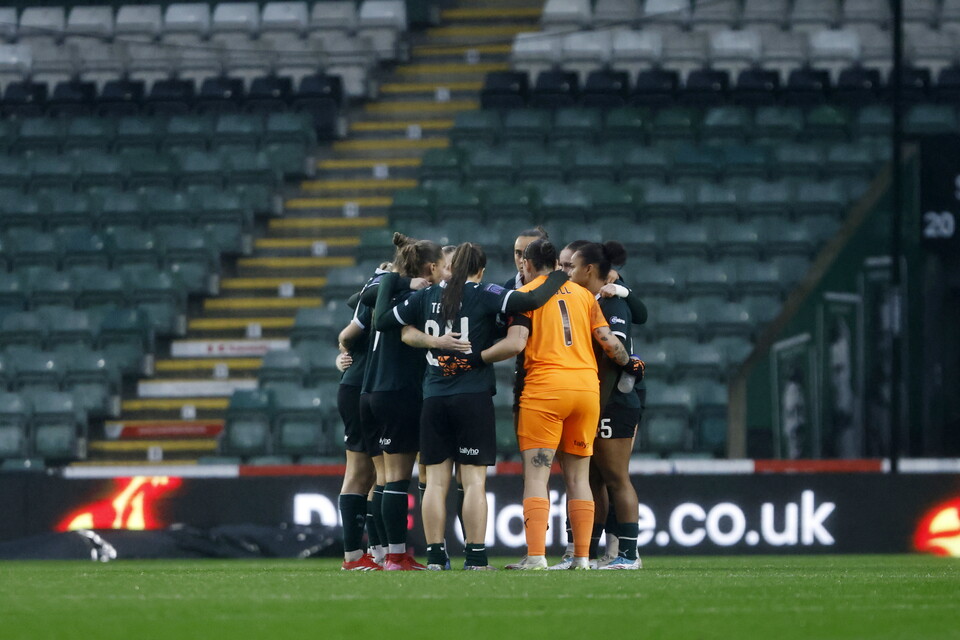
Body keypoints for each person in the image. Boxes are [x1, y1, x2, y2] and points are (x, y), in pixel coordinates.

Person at [375, 242, 569, 570]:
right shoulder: (483, 293)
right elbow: (531, 299)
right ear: (480, 270)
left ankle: (436, 557)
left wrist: (386, 283)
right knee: (474, 482)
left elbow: (383, 320)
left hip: (434, 397)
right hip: (472, 396)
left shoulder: (426, 296)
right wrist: (560, 274)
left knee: (435, 483)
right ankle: (475, 557)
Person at [478, 238, 644, 570]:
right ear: (556, 263)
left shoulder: (526, 297)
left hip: (545, 390)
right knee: (580, 478)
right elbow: (609, 341)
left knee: (538, 476)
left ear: (526, 265)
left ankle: (537, 557)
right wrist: (631, 365)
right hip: (585, 391)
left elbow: (517, 341)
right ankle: (581, 557)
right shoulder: (584, 295)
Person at [359, 233, 446, 570]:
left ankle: (383, 553)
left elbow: (360, 296)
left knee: (383, 479)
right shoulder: (418, 296)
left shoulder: (385, 290)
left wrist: (396, 280)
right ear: (430, 267)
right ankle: (397, 555)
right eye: (442, 267)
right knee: (397, 478)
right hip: (398, 390)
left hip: (370, 391)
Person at [566, 241, 644, 570]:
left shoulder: (612, 303)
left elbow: (617, 353)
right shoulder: (587, 301)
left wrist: (628, 371)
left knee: (616, 478)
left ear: (588, 270)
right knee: (594, 480)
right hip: (593, 401)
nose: (565, 272)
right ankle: (584, 554)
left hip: (612, 403)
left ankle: (629, 554)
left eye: (570, 266)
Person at [336, 265, 388, 571]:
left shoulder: (386, 294)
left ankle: (371, 551)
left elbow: (348, 336)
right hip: (360, 387)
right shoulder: (386, 293)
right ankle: (354, 556)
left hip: (367, 387)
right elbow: (347, 336)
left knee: (370, 474)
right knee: (359, 473)